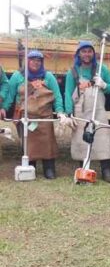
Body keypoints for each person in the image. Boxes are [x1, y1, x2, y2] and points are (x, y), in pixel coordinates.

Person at [1, 50, 65, 179]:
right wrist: (4, 107)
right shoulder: (17, 76)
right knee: (28, 144)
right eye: (33, 60)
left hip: (44, 117)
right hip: (25, 117)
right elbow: (10, 95)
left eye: (39, 60)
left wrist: (60, 111)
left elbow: (57, 95)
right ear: (27, 61)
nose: (36, 63)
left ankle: (49, 168)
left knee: (48, 143)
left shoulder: (48, 77)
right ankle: (31, 167)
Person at [64, 41, 110, 182]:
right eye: (84, 51)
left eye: (89, 51)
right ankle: (83, 168)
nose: (87, 54)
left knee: (102, 138)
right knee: (81, 139)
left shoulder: (101, 69)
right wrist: (69, 114)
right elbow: (68, 93)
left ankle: (106, 170)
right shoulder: (73, 72)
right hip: (80, 110)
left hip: (98, 109)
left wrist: (104, 84)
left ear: (93, 53)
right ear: (79, 54)